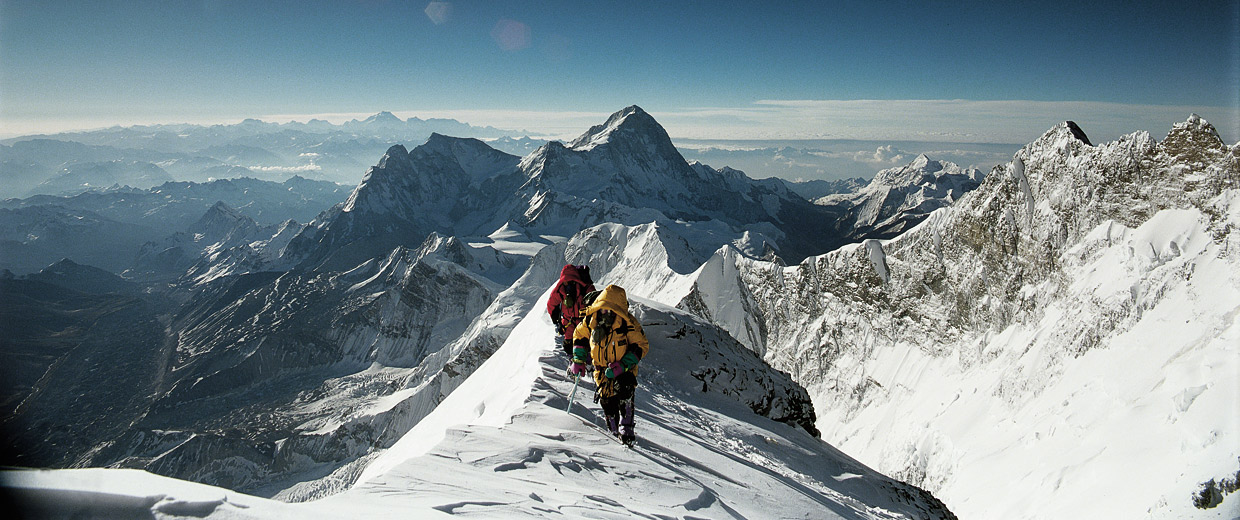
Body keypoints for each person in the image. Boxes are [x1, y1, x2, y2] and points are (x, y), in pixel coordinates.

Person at [567, 284, 649, 444]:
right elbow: (579, 335)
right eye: (604, 308)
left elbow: (641, 345)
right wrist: (578, 358)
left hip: (624, 371)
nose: (606, 313)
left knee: (625, 394)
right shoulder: (591, 319)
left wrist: (624, 365)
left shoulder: (628, 324)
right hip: (601, 371)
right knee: (607, 402)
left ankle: (627, 431)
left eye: (610, 310)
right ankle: (613, 432)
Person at [546, 264, 596, 357]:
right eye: (566, 282)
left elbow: (551, 305)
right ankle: (577, 365)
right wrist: (557, 321)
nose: (568, 284)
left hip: (581, 323)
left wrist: (557, 321)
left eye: (570, 281)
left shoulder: (582, 288)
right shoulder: (562, 290)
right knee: (571, 347)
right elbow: (551, 304)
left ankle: (581, 365)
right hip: (572, 323)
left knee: (582, 346)